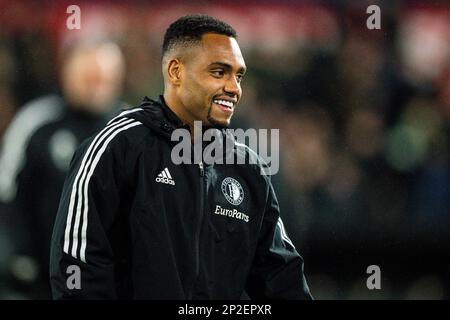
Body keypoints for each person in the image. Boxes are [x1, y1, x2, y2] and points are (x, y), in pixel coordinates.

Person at [50, 14, 312, 300]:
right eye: (219, 72)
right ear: (176, 72)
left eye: (238, 75)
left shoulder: (248, 170)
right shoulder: (117, 147)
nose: (234, 88)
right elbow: (77, 264)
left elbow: (281, 276)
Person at [0, 39, 125, 298]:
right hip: (38, 279)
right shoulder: (36, 122)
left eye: (103, 80)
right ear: (66, 74)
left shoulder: (131, 130)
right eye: (89, 78)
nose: (96, 88)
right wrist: (17, 257)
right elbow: (6, 190)